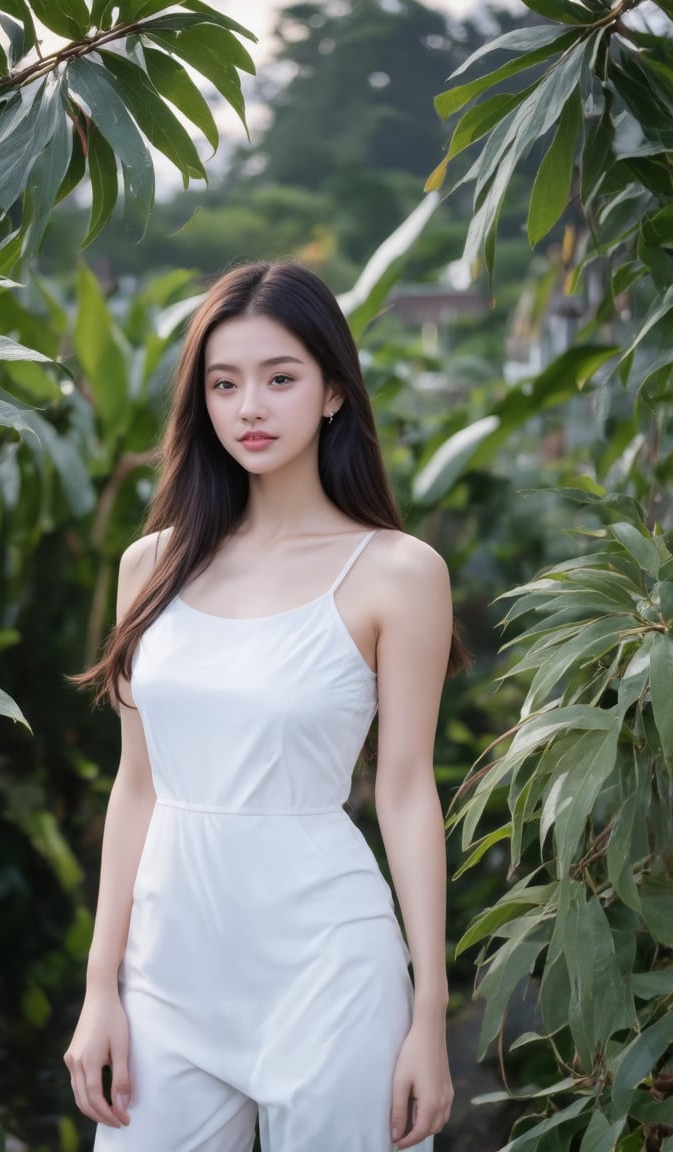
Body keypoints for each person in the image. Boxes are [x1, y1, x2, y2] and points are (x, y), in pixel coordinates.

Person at [64, 261, 466, 1152]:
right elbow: (137, 789)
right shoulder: (151, 567)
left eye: (280, 378)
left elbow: (405, 795)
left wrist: (429, 1016)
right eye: (224, 382)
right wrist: (102, 989)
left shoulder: (398, 573)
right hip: (165, 980)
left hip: (330, 970)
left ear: (331, 393)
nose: (249, 406)